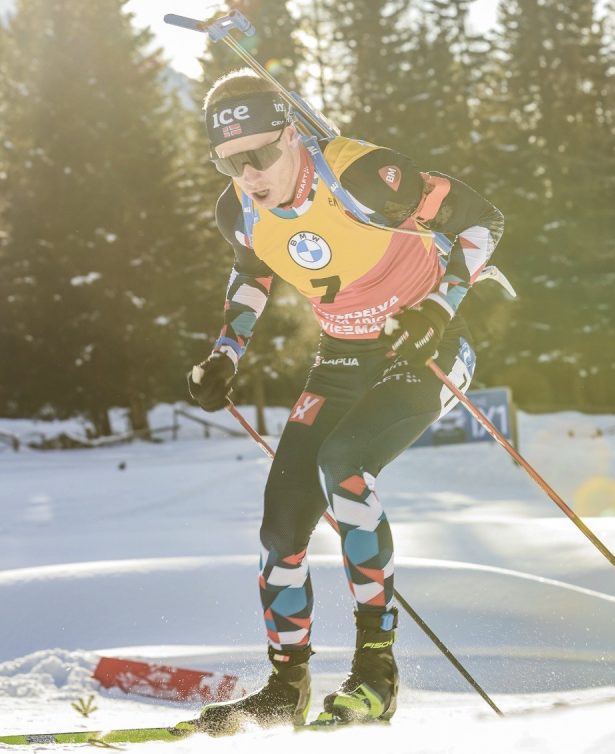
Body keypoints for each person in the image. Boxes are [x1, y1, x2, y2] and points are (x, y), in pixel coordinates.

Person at [187, 68, 503, 731]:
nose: (247, 174)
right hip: (343, 355)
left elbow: (482, 221)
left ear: (291, 135)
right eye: (228, 162)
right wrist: (225, 355)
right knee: (281, 523)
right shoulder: (238, 210)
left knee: (348, 466)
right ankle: (286, 686)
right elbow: (251, 276)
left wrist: (441, 309)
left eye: (258, 155)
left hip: (429, 346)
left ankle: (375, 675)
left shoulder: (361, 175)